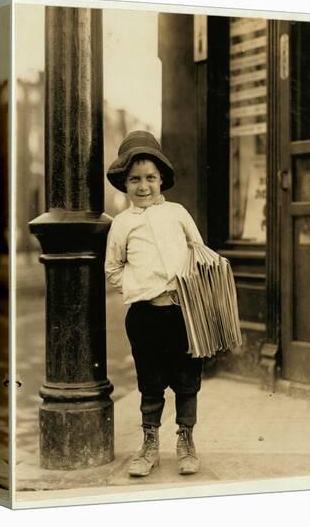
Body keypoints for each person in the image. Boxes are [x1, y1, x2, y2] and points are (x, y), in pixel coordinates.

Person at [105, 130, 204, 477]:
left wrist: (189, 288)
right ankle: (149, 445)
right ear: (124, 183)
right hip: (145, 317)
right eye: (134, 179)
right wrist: (138, 288)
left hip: (183, 314)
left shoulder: (177, 213)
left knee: (187, 379)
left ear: (162, 178)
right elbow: (113, 268)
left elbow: (199, 252)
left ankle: (186, 441)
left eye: (150, 178)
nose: (143, 186)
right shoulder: (121, 224)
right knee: (151, 381)